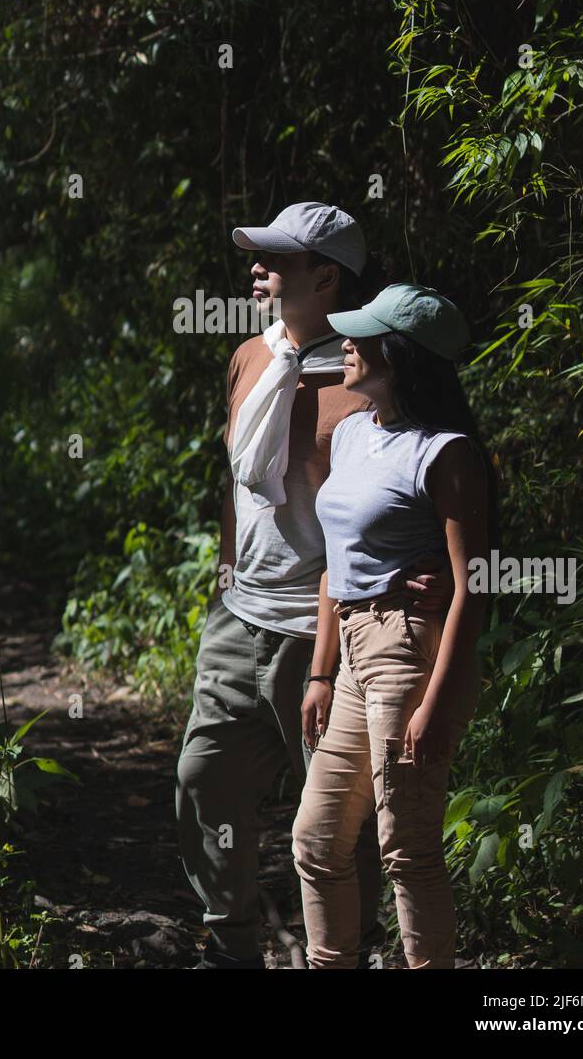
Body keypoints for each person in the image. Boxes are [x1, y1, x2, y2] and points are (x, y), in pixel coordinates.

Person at [175, 206, 454, 969]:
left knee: (340, 820)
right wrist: (228, 577)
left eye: (276, 257)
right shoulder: (248, 357)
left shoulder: (371, 373)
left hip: (329, 624)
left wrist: (431, 571)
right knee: (203, 778)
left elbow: (422, 474)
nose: (256, 267)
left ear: (326, 275)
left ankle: (349, 952)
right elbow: (234, 483)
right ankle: (230, 945)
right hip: (240, 614)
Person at [291, 283, 496, 970]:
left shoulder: (446, 452)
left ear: (402, 356)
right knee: (316, 840)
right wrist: (321, 673)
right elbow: (335, 565)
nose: (346, 343)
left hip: (408, 653)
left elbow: (473, 587)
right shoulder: (351, 432)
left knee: (406, 850)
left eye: (363, 336)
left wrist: (436, 703)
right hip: (353, 654)